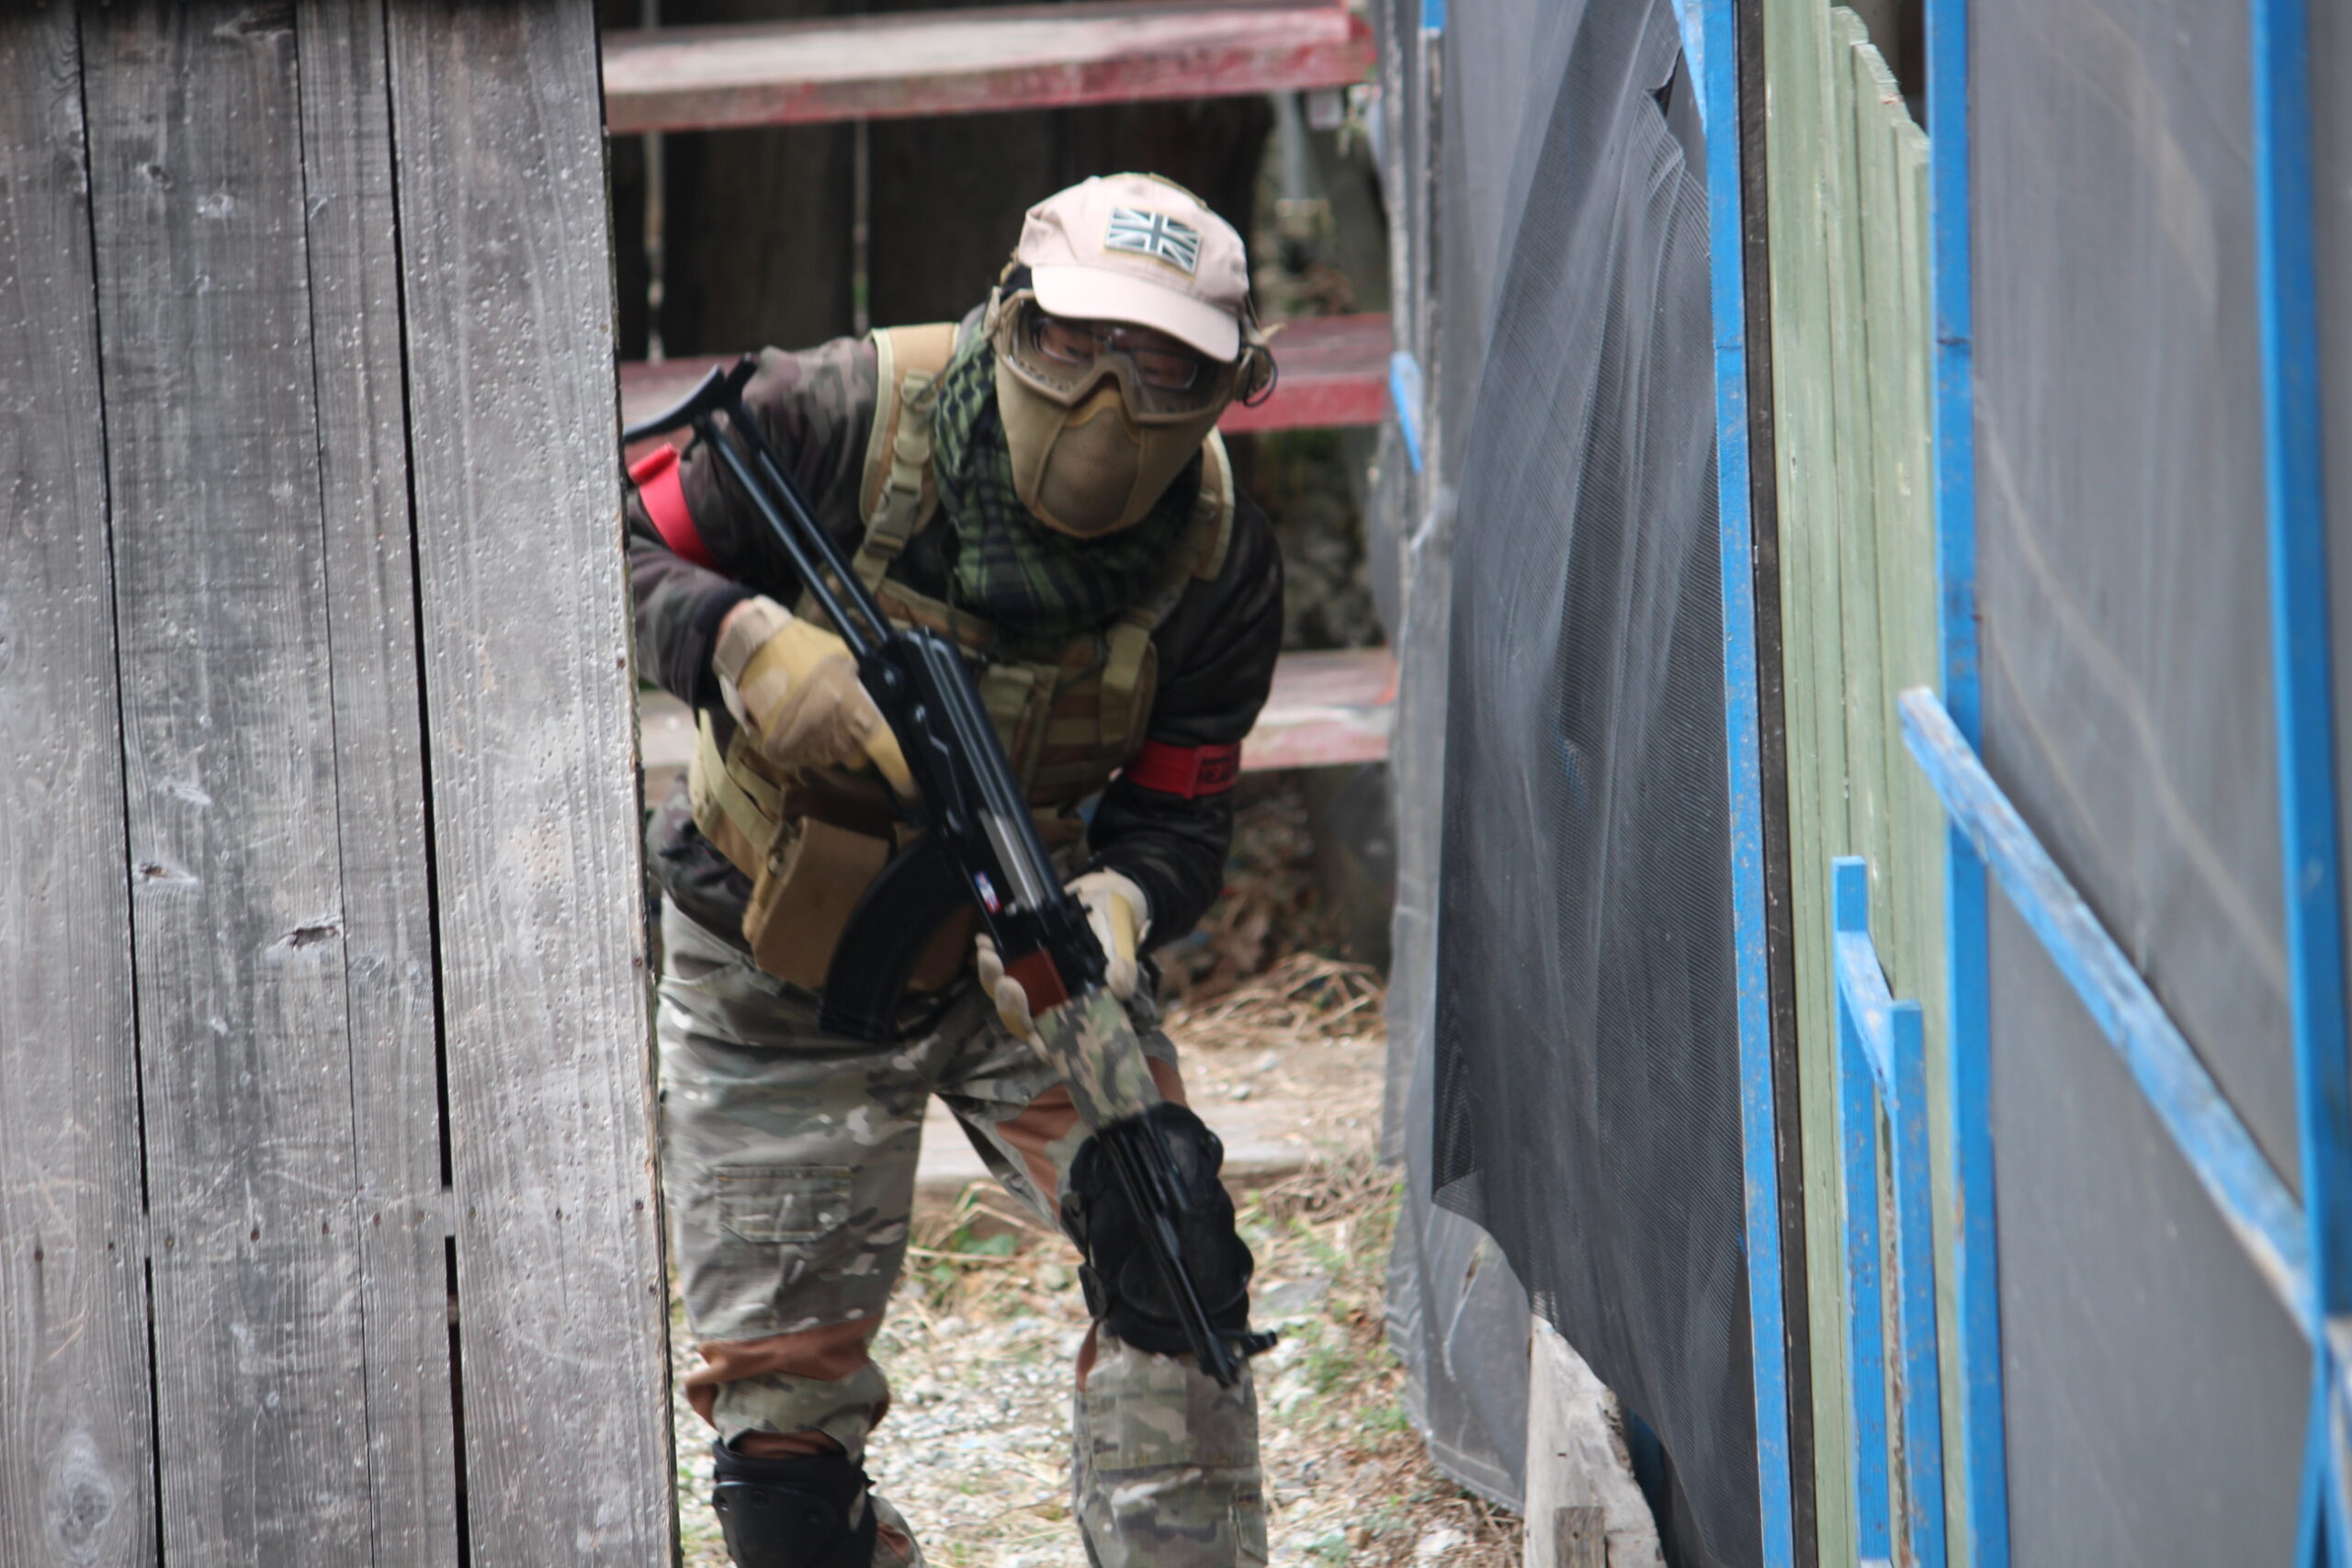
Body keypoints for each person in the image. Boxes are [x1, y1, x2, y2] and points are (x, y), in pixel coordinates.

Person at [624, 173, 1284, 1568]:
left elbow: (1178, 818)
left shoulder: (1220, 556)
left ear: (1230, 385)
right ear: (1010, 316)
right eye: (1076, 343)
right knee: (784, 1487)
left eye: (1163, 366)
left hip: (1025, 957)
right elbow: (588, 531)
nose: (1109, 398)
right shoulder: (840, 414)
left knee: (1175, 1251)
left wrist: (1124, 903)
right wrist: (739, 642)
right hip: (771, 968)